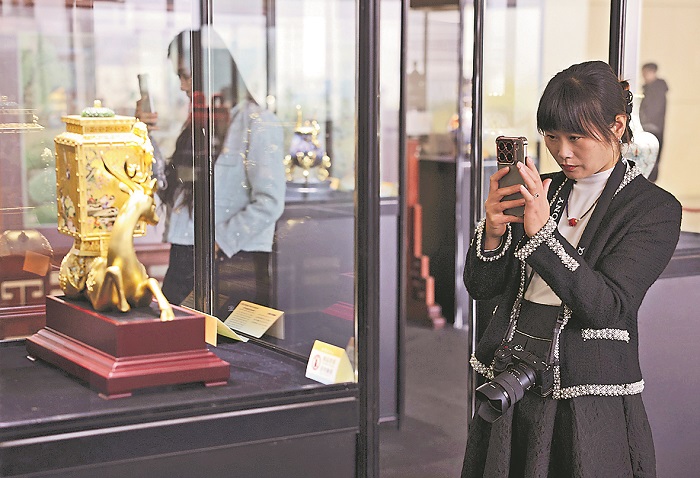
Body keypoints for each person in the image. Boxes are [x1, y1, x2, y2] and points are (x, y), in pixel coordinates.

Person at [461, 60, 681, 477]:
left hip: (588, 391)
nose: (562, 151)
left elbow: (608, 307)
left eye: (576, 137)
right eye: (551, 136)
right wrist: (492, 231)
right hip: (513, 374)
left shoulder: (653, 208)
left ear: (617, 125)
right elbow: (481, 287)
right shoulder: (541, 187)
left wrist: (543, 235)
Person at [136, 29, 285, 318]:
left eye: (185, 76)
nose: (182, 86)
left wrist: (218, 242)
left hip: (232, 260)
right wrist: (142, 134)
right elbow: (164, 184)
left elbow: (270, 201)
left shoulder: (256, 122)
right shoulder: (201, 122)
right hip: (187, 255)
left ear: (209, 70)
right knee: (174, 334)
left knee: (228, 342)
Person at [639, 62, 668, 182]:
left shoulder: (656, 89)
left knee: (650, 160)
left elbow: (653, 110)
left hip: (651, 129)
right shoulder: (652, 88)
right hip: (652, 129)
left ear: (652, 72)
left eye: (645, 73)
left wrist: (644, 124)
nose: (644, 76)